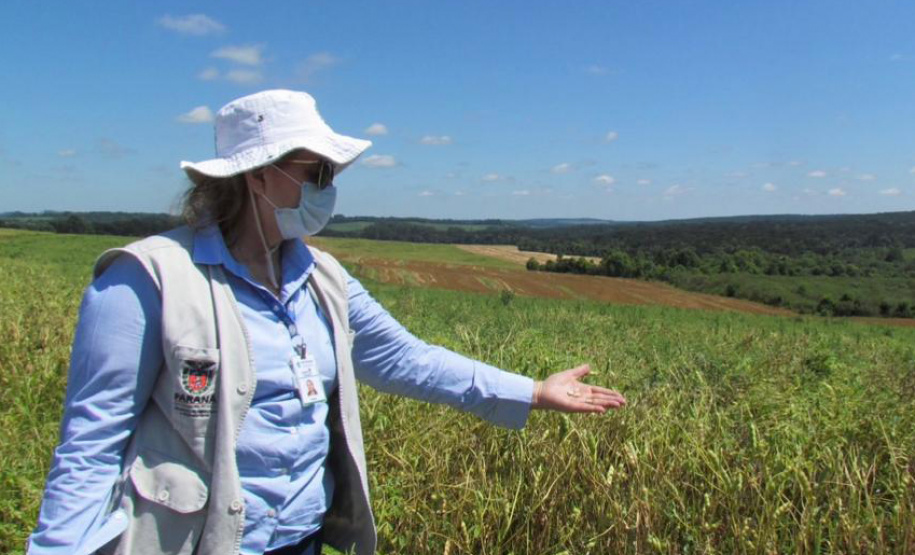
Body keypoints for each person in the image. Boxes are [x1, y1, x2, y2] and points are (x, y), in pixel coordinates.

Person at [27, 89, 626, 555]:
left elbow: (404, 359)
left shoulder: (323, 278)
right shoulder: (146, 278)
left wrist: (532, 391)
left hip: (302, 537)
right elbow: (90, 446)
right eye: (316, 173)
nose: (328, 189)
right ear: (257, 175)